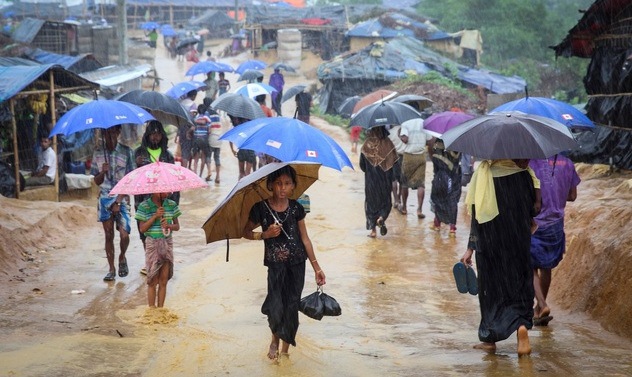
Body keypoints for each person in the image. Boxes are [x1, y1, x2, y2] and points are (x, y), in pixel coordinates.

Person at [243, 165, 326, 359]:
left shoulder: (297, 208)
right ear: (270, 185)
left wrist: (317, 267)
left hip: (297, 265)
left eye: (287, 184)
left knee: (291, 307)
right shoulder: (261, 209)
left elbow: (305, 238)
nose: (282, 188)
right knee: (276, 305)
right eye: (278, 183)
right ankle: (274, 339)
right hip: (275, 266)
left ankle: (285, 350)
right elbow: (245, 232)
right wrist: (265, 234)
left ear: (293, 186)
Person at [460, 159, 541, 357]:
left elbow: (477, 216)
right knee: (519, 284)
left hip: (491, 246)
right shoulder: (526, 175)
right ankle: (521, 327)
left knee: (491, 288)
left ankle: (490, 338)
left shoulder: (484, 175)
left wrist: (470, 248)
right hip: (518, 244)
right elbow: (535, 210)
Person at [529, 154, 580, 325]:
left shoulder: (529, 161)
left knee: (530, 266)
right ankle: (539, 308)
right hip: (556, 224)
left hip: (535, 223)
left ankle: (542, 304)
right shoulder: (568, 162)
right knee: (546, 267)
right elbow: (572, 195)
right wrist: (556, 194)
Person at [91, 126, 135, 282]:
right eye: (106, 133)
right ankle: (111, 269)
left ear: (118, 133)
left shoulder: (127, 152)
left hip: (122, 198)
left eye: (112, 133)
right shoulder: (98, 153)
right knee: (108, 234)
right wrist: (102, 172)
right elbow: (96, 181)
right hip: (104, 198)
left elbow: (130, 180)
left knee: (124, 234)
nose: (109, 137)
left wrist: (118, 201)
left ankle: (122, 257)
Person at [134, 121, 180, 262]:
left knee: (163, 231)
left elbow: (173, 179)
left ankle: (163, 258)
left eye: (158, 134)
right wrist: (136, 165)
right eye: (153, 134)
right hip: (143, 200)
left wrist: (174, 202)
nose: (155, 137)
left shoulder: (168, 156)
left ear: (162, 136)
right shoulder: (138, 154)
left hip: (163, 200)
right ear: (147, 135)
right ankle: (149, 258)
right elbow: (131, 178)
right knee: (145, 232)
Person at [135, 190, 181, 308]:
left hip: (167, 243)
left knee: (163, 280)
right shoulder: (144, 206)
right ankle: (151, 309)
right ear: (155, 191)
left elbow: (177, 227)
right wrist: (155, 216)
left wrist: (168, 225)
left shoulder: (171, 205)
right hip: (152, 244)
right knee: (152, 280)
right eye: (163, 191)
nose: (167, 193)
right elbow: (142, 229)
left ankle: (160, 309)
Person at [359, 126, 397, 238]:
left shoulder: (367, 145)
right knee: (385, 202)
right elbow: (394, 164)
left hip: (371, 181)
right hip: (385, 180)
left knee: (371, 204)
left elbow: (362, 165)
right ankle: (381, 218)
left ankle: (373, 231)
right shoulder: (388, 144)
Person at [399, 117, 432, 219]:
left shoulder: (405, 123)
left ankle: (404, 208)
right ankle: (419, 210)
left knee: (405, 183)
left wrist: (399, 134)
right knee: (421, 184)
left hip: (409, 156)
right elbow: (429, 140)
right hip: (421, 156)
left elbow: (405, 140)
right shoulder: (425, 123)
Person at [429, 139, 462, 236]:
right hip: (454, 177)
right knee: (452, 201)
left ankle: (437, 224)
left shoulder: (438, 144)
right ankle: (452, 228)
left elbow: (435, 163)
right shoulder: (457, 142)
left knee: (438, 199)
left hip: (441, 178)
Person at [387, 124, 406, 214]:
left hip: (393, 156)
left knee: (393, 179)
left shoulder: (390, 132)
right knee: (402, 180)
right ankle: (400, 198)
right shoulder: (405, 131)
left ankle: (396, 200)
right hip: (404, 156)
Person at [192, 104, 212, 179]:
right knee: (203, 157)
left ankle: (194, 174)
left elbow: (193, 128)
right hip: (204, 139)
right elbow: (209, 131)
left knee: (196, 158)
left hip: (196, 138)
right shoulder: (207, 117)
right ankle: (200, 175)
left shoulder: (196, 117)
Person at [206, 107, 223, 184]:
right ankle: (218, 176)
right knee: (217, 157)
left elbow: (209, 129)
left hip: (212, 138)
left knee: (208, 156)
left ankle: (209, 172)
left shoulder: (208, 115)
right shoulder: (219, 116)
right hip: (219, 138)